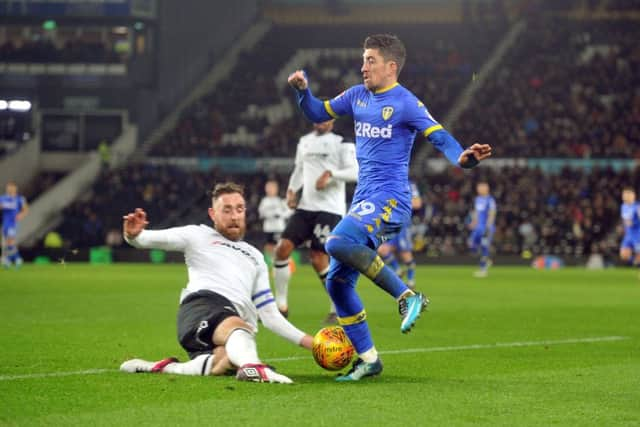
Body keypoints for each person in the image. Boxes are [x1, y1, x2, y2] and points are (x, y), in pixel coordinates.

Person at [288, 33, 492, 381]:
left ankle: (408, 296)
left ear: (391, 66)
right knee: (337, 284)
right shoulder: (356, 96)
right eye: (364, 59)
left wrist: (462, 158)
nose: (362, 66)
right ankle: (369, 360)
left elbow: (438, 136)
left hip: (391, 199)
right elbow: (316, 111)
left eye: (370, 60)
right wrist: (302, 91)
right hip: (363, 201)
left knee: (335, 243)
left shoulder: (406, 103)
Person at [119, 182, 313, 384]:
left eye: (239, 209)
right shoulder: (197, 235)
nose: (234, 216)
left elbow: (270, 315)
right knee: (239, 330)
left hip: (225, 324)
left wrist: (314, 344)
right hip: (201, 307)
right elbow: (146, 239)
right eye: (226, 210)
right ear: (212, 214)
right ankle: (253, 367)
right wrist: (133, 235)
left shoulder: (255, 256)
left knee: (223, 361)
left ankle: (163, 367)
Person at [272, 119, 358, 324]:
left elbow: (355, 172)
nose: (320, 122)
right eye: (317, 118)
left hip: (329, 209)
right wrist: (292, 191)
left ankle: (338, 305)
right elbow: (299, 170)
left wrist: (331, 174)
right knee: (282, 249)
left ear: (332, 120)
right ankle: (280, 306)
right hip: (306, 207)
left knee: (318, 258)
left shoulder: (342, 142)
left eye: (325, 118)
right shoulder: (305, 141)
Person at [377, 180, 422, 289]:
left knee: (405, 254)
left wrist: (399, 203)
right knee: (382, 250)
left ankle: (411, 281)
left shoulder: (409, 185)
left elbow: (417, 203)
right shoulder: (385, 182)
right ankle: (398, 270)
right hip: (388, 223)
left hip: (402, 223)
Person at [468, 181, 497, 278]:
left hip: (486, 227)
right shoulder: (477, 199)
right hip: (478, 228)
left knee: (485, 246)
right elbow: (476, 213)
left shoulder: (490, 200)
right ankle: (487, 259)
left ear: (486, 189)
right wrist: (473, 222)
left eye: (481, 188)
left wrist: (488, 227)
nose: (478, 189)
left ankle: (483, 270)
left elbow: (492, 213)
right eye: (478, 188)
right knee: (472, 244)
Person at [257, 179, 290, 260]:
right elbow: (261, 214)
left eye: (272, 187)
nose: (270, 189)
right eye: (268, 187)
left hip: (278, 227)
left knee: (280, 245)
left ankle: (280, 260)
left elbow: (289, 212)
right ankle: (270, 261)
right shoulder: (264, 201)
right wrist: (270, 215)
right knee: (268, 246)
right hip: (268, 228)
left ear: (276, 189)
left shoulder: (280, 200)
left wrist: (280, 215)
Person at [0, 181, 29, 269]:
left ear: (15, 188)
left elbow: (26, 209)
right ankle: (9, 259)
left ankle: (16, 259)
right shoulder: (2, 198)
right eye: (9, 187)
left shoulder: (20, 198)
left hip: (13, 223)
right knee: (6, 244)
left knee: (10, 241)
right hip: (5, 223)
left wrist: (21, 215)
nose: (10, 189)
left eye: (12, 187)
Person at [619, 187, 640, 273]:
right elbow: (625, 220)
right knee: (623, 255)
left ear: (632, 196)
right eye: (623, 195)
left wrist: (634, 223)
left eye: (627, 195)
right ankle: (635, 262)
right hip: (628, 235)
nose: (624, 197)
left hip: (637, 235)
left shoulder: (637, 207)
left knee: (639, 256)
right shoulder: (623, 206)